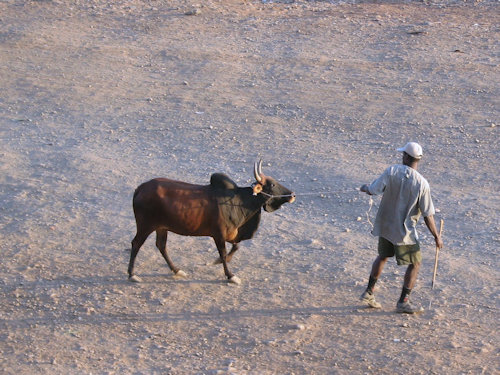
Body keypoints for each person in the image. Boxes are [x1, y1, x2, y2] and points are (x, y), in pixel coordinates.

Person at [359, 142, 443, 313]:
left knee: (382, 256)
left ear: (406, 157)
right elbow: (428, 214)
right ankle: (403, 301)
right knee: (416, 263)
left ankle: (369, 292)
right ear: (418, 159)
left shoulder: (392, 171)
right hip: (404, 233)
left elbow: (374, 190)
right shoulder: (422, 184)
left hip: (386, 226)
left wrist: (365, 188)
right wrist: (436, 236)